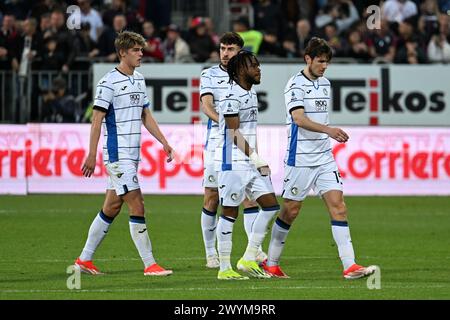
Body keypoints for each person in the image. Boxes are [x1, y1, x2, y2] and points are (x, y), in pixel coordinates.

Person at [262, 37, 376, 280]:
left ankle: (350, 265)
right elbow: (299, 119)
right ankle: (271, 263)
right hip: (300, 158)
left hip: (324, 158)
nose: (324, 66)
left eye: (327, 62)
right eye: (320, 61)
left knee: (339, 207)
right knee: (291, 211)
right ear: (308, 59)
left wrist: (327, 135)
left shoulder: (325, 84)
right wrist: (329, 130)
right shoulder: (295, 85)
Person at [74, 31, 174, 277]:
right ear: (122, 53)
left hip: (133, 156)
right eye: (137, 50)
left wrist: (163, 141)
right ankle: (150, 264)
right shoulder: (108, 82)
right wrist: (91, 154)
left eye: (142, 49)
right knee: (137, 204)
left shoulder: (139, 79)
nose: (142, 54)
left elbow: (145, 115)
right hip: (117, 156)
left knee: (112, 206)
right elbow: (96, 120)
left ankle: (84, 259)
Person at [200, 32, 267, 269]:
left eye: (230, 49)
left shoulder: (245, 78)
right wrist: (226, 123)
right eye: (222, 48)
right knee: (212, 198)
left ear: (240, 51)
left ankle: (254, 250)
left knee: (249, 199)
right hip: (216, 144)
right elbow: (206, 105)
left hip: (241, 145)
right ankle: (211, 253)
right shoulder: (209, 74)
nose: (225, 53)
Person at [215, 50, 280, 280]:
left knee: (271, 205)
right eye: (255, 65)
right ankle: (224, 268)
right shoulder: (231, 95)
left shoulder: (250, 94)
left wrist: (255, 158)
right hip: (233, 162)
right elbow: (233, 132)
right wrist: (256, 158)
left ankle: (249, 257)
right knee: (230, 212)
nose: (258, 69)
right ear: (242, 69)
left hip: (251, 160)